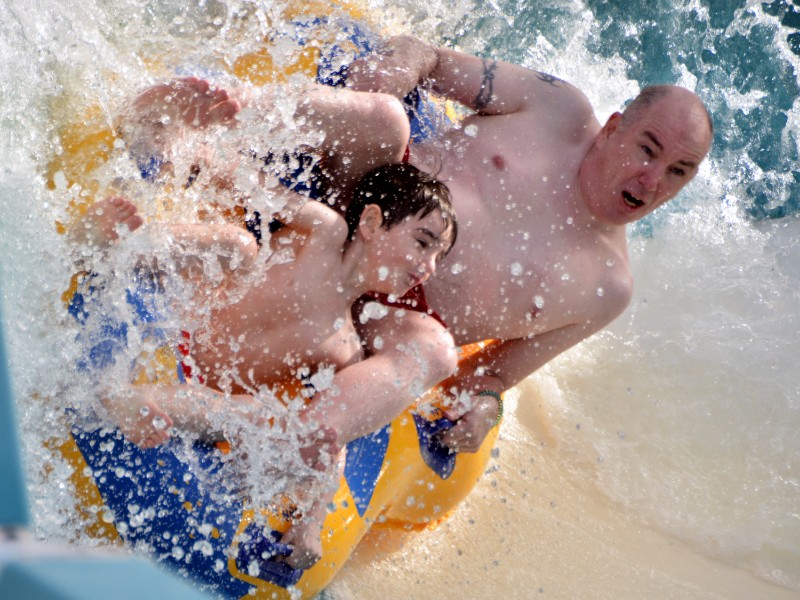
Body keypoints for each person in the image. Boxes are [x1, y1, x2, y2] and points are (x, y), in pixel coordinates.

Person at [333, 36, 715, 452]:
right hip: (364, 202)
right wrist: (398, 69)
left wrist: (485, 408)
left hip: (391, 314)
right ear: (612, 129)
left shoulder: (609, 288)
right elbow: (429, 59)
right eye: (647, 150)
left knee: (432, 353)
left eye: (677, 171)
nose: (653, 181)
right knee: (384, 117)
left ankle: (312, 439)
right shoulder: (557, 108)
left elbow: (488, 377)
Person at [90, 162, 457, 569]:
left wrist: (311, 522)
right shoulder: (325, 231)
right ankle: (115, 245)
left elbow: (330, 438)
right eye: (423, 243)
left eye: (438, 257)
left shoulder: (345, 347)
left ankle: (137, 400)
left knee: (262, 415)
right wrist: (199, 156)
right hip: (174, 319)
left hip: (196, 385)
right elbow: (253, 185)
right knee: (237, 246)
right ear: (371, 222)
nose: (429, 267)